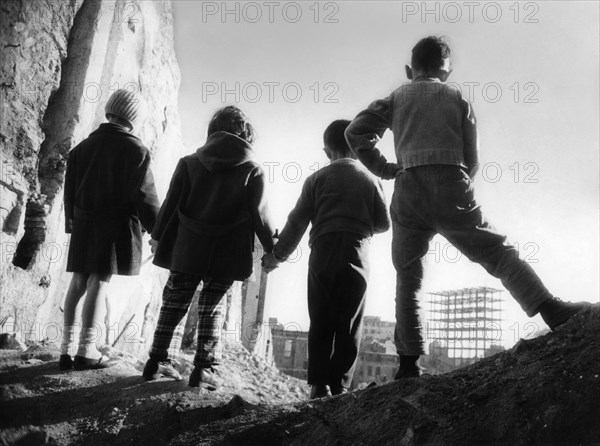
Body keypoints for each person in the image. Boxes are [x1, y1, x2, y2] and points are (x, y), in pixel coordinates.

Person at [344, 36, 589, 379]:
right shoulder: (458, 98)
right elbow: (472, 157)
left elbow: (356, 133)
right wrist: (459, 185)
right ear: (447, 72)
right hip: (452, 183)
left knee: (409, 277)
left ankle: (408, 364)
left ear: (408, 70)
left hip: (409, 186)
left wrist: (387, 168)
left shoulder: (396, 98)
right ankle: (551, 310)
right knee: (497, 253)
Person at [143, 106, 276, 388]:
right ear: (245, 135)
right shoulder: (252, 170)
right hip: (227, 251)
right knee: (212, 307)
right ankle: (204, 369)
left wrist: (157, 236)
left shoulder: (188, 162)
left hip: (186, 247)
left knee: (174, 302)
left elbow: (170, 205)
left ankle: (156, 361)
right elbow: (260, 216)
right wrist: (272, 249)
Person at [263, 120, 390, 398]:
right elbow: (384, 223)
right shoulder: (371, 180)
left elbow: (296, 222)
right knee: (351, 320)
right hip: (357, 254)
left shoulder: (316, 179)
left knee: (320, 317)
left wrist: (277, 256)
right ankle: (340, 384)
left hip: (322, 252)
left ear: (326, 151)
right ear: (357, 149)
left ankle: (318, 385)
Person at [61, 89, 159, 371]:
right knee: (99, 282)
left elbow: (70, 191)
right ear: (133, 119)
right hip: (113, 227)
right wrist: (158, 231)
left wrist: (72, 221)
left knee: (78, 281)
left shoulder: (81, 148)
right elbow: (146, 198)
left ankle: (66, 350)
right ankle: (87, 350)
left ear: (110, 111)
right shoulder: (136, 150)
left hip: (83, 222)